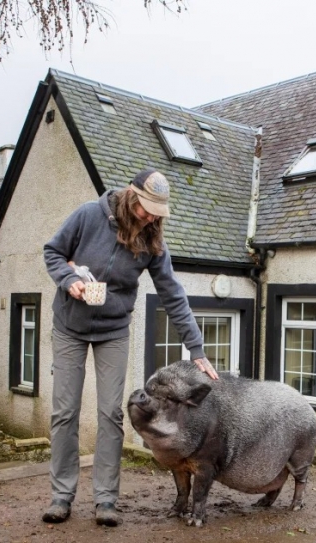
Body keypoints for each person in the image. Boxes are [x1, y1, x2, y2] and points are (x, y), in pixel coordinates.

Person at [41, 168, 218, 527]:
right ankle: (62, 496)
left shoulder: (152, 241)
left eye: (157, 212)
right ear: (131, 196)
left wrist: (196, 349)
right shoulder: (88, 215)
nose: (151, 216)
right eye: (146, 208)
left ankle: (105, 500)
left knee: (111, 414)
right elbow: (53, 252)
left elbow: (172, 293)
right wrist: (70, 279)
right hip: (69, 327)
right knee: (65, 412)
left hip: (113, 330)